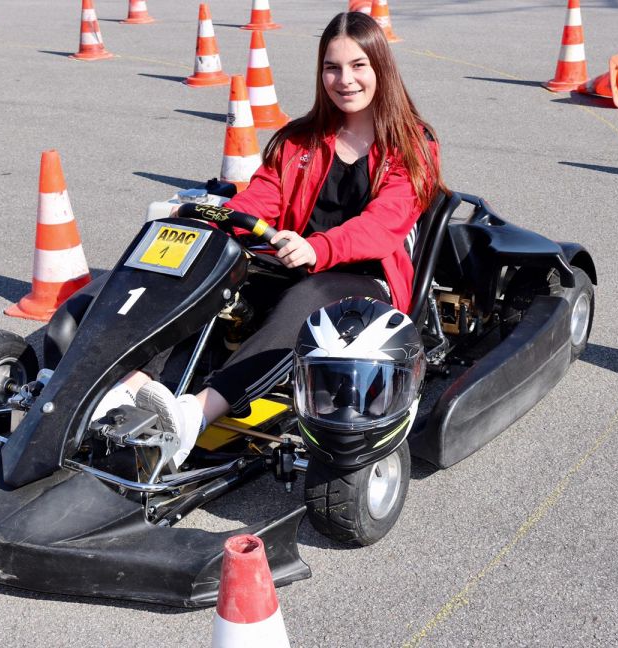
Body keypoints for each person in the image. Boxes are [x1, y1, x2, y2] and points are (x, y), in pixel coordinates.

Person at [130, 11, 447, 467]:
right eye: (332, 68)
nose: (345, 80)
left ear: (381, 67)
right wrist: (211, 221)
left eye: (358, 66)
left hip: (365, 281)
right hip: (291, 261)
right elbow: (261, 199)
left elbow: (383, 225)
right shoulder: (299, 140)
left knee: (307, 304)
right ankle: (132, 387)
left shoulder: (413, 144)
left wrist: (319, 247)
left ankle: (193, 417)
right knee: (202, 276)